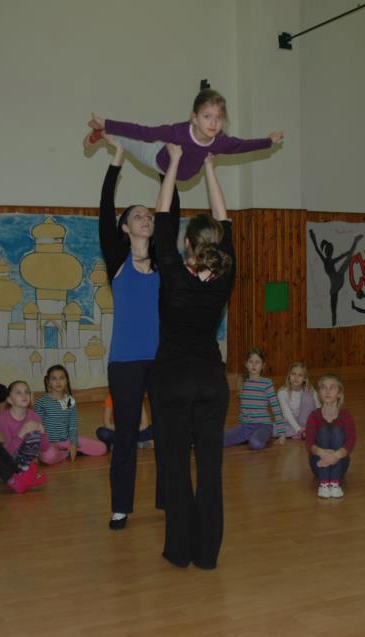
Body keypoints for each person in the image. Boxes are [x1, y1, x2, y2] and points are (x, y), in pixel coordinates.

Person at [151, 145, 234, 569]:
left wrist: (172, 167)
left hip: (171, 381)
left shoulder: (170, 270)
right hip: (211, 383)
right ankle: (207, 555)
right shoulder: (225, 273)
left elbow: (162, 216)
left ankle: (180, 551)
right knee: (210, 470)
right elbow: (224, 219)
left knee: (176, 467)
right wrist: (210, 169)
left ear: (186, 244)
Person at [98, 134, 177, 529]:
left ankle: (167, 499)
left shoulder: (164, 259)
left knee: (166, 433)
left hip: (162, 360)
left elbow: (172, 209)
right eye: (139, 216)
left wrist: (168, 165)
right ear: (125, 227)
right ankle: (120, 506)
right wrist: (117, 156)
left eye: (149, 215)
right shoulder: (117, 260)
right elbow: (104, 208)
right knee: (126, 436)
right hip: (125, 363)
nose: (147, 218)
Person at [84, 88, 283, 182]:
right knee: (127, 142)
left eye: (219, 118)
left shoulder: (221, 142)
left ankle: (106, 133)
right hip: (155, 156)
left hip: (180, 175)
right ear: (194, 118)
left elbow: (243, 146)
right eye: (207, 116)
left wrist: (269, 141)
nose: (214, 123)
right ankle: (102, 133)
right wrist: (107, 122)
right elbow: (143, 131)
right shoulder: (177, 132)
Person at [34, 365, 107, 465]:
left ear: (67, 381)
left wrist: (73, 443)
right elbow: (37, 427)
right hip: (48, 443)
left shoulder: (69, 400)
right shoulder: (42, 402)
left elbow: (72, 425)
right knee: (48, 457)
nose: (58, 382)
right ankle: (65, 454)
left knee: (102, 448)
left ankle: (70, 450)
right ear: (48, 382)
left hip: (66, 440)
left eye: (62, 378)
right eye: (54, 378)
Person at [223, 348, 287, 449]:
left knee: (255, 444)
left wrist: (282, 434)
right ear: (246, 364)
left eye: (257, 362)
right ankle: (248, 436)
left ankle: (258, 437)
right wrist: (239, 429)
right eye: (251, 362)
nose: (253, 365)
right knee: (221, 440)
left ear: (263, 365)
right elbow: (242, 410)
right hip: (246, 426)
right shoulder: (242, 383)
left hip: (264, 426)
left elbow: (276, 408)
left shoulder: (267, 383)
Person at [306, 374, 357, 499]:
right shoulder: (313, 416)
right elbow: (309, 443)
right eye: (323, 387)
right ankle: (324, 484)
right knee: (323, 431)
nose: (327, 391)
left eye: (332, 387)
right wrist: (323, 453)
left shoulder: (346, 416)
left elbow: (351, 441)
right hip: (318, 463)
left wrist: (335, 456)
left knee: (337, 431)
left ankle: (334, 483)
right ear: (319, 393)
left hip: (340, 462)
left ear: (339, 393)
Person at [0, 380, 50, 474]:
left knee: (34, 435)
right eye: (18, 392)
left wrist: (42, 432)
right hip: (9, 458)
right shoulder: (3, 419)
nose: (24, 395)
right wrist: (21, 434)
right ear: (10, 400)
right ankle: (21, 470)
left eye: (27, 392)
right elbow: (7, 452)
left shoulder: (34, 416)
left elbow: (44, 448)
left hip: (26, 460)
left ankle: (26, 469)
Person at [277, 361, 320, 440]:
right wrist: (298, 429)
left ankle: (307, 430)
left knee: (307, 396)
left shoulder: (310, 390)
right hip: (290, 422)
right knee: (274, 428)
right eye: (293, 374)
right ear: (289, 376)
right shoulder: (282, 392)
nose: (296, 377)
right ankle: (305, 432)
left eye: (300, 375)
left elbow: (318, 408)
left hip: (307, 421)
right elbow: (287, 414)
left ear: (304, 379)